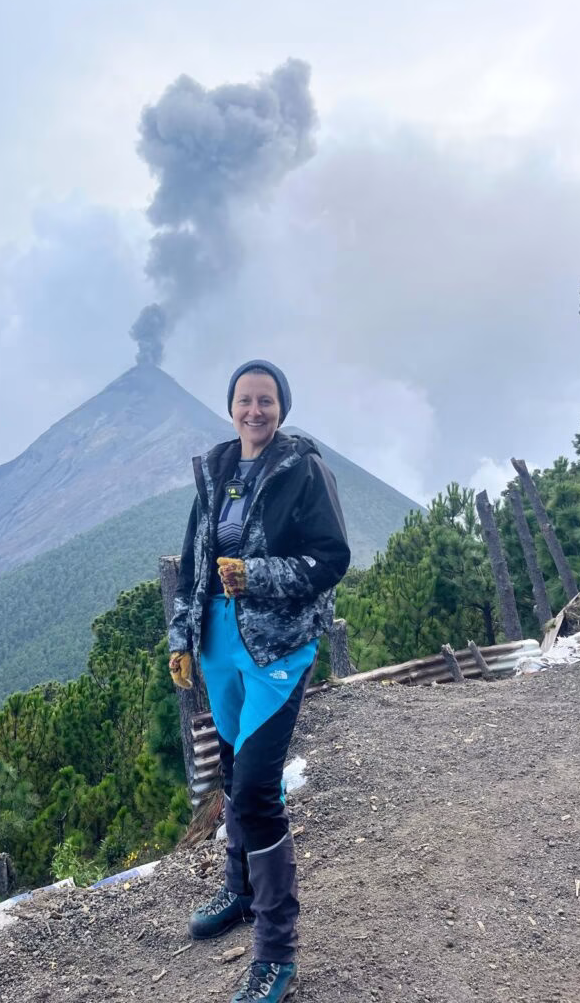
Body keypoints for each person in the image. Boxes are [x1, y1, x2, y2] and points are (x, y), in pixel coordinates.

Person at [168, 360, 351, 1003]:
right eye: (245, 400)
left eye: (266, 400)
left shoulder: (303, 469)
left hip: (277, 646)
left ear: (282, 406)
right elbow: (194, 562)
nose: (255, 411)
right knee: (230, 768)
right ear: (231, 407)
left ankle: (276, 951)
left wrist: (255, 576)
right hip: (219, 642)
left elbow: (332, 559)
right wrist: (182, 639)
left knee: (255, 790)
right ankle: (241, 887)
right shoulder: (217, 470)